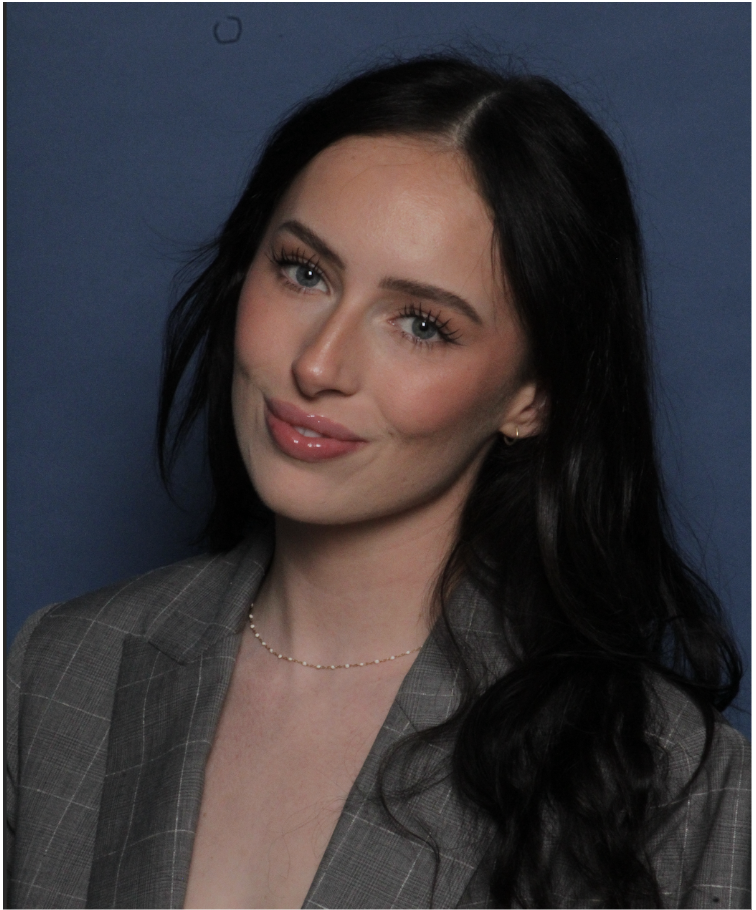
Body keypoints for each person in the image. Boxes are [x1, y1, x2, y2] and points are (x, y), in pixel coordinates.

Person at [6, 55, 749, 910]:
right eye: (304, 271)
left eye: (422, 325)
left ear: (534, 396)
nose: (318, 365)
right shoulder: (61, 672)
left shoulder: (678, 785)